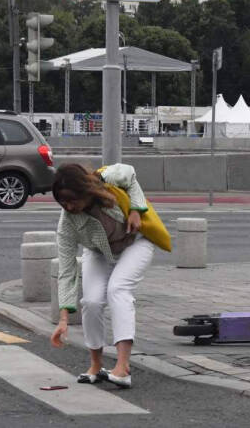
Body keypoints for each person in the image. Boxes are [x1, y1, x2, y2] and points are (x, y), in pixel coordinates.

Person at [49, 163, 170, 389]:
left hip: (135, 243)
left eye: (72, 200)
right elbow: (67, 270)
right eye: (62, 202)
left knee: (118, 289)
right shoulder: (67, 222)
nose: (68, 206)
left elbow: (131, 175)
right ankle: (95, 365)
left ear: (86, 192)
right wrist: (63, 318)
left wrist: (136, 210)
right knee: (91, 301)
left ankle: (122, 367)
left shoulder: (108, 178)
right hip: (98, 251)